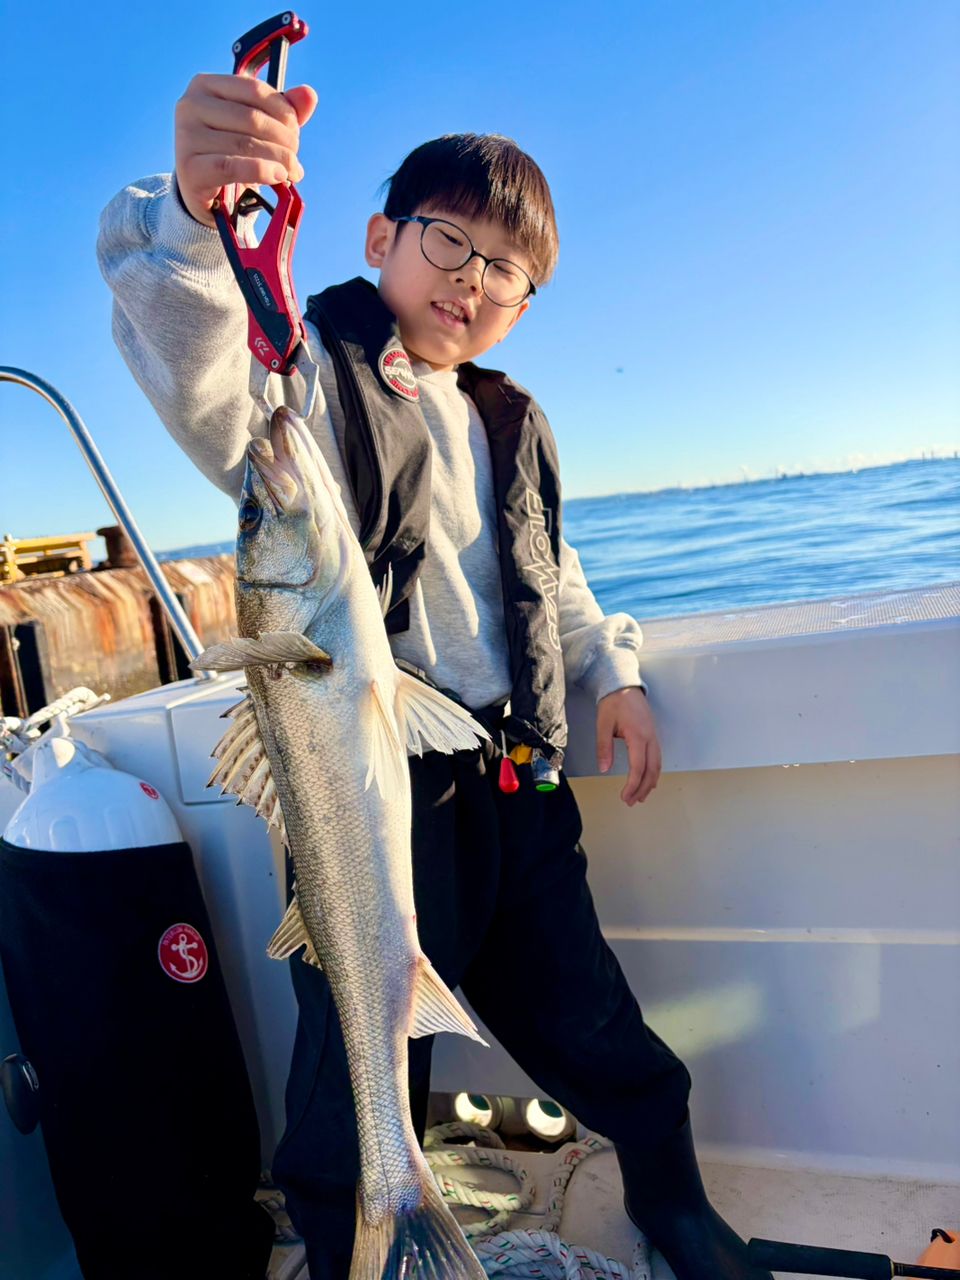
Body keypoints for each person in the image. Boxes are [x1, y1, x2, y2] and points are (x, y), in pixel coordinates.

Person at [97, 70, 773, 1280]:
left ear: (528, 298)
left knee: (594, 1017)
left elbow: (551, 576)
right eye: (448, 240)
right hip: (367, 785)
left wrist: (608, 671)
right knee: (352, 1060)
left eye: (505, 266)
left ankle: (671, 1194)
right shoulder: (313, 382)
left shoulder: (512, 419)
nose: (471, 278)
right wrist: (193, 223)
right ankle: (346, 1235)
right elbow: (212, 392)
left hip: (515, 791)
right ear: (379, 241)